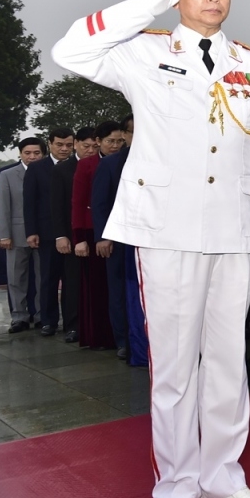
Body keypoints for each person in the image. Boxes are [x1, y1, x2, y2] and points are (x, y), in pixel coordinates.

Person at [51, 0, 250, 498]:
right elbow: (69, 51)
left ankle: (222, 479)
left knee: (229, 364)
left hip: (234, 230)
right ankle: (177, 489)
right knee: (176, 369)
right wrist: (149, 1)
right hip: (167, 228)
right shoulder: (141, 49)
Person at [92, 119, 145, 363]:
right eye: (134, 131)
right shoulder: (111, 164)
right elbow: (100, 203)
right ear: (125, 134)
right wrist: (103, 237)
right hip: (118, 239)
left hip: (150, 237)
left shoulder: (159, 158)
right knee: (120, 290)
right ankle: (124, 340)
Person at [74, 120, 127, 350]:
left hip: (128, 234)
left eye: (118, 141)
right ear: (99, 142)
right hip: (100, 233)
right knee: (106, 289)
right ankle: (114, 338)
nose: (115, 146)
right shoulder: (90, 165)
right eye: (109, 141)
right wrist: (88, 238)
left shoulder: (131, 160)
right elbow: (85, 203)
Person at [24, 128, 74, 335]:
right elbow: (29, 203)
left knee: (71, 280)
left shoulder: (77, 166)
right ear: (50, 144)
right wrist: (31, 231)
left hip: (73, 232)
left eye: (68, 145)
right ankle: (48, 321)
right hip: (46, 233)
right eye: (59, 144)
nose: (64, 149)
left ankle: (72, 324)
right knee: (48, 278)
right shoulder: (37, 169)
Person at [52, 127, 96, 342]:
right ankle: (73, 325)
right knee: (72, 281)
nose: (90, 150)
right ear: (76, 144)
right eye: (85, 146)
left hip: (96, 233)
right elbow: (57, 206)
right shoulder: (63, 169)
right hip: (71, 235)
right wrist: (61, 235)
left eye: (94, 146)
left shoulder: (102, 165)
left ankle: (94, 324)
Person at [0, 137, 44, 332]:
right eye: (27, 153)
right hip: (15, 235)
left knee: (44, 278)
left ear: (43, 153)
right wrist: (4, 234)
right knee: (16, 277)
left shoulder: (50, 172)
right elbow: (2, 207)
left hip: (44, 235)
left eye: (36, 153)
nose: (32, 157)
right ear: (20, 153)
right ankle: (19, 317)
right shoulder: (7, 175)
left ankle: (43, 315)